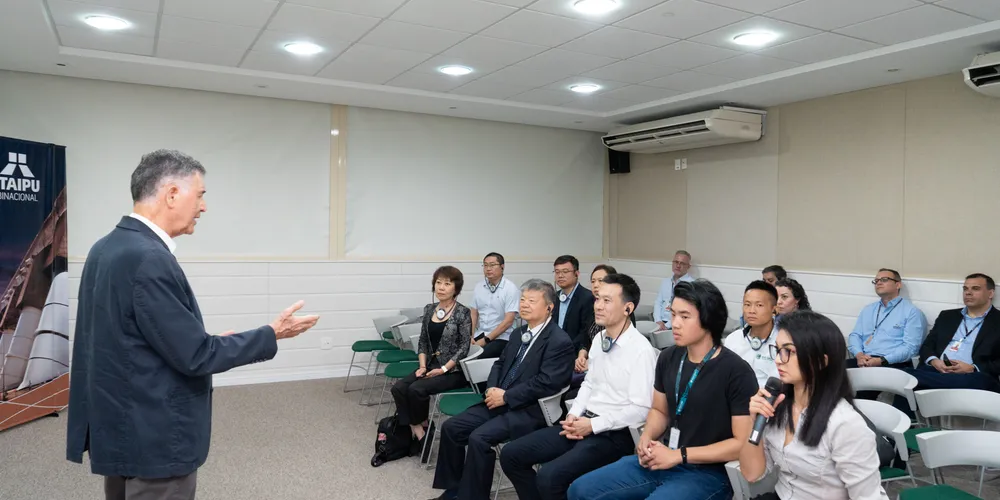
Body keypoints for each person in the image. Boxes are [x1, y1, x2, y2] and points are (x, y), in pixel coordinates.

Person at [66, 150, 319, 500]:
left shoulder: (105, 248)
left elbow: (132, 340)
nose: (203, 207)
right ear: (171, 194)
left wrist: (204, 341)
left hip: (123, 429)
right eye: (199, 195)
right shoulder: (149, 258)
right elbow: (196, 356)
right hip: (155, 441)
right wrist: (272, 333)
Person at [568, 279, 758, 500]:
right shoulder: (669, 357)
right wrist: (647, 437)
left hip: (707, 471)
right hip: (663, 457)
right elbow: (659, 411)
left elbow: (741, 444)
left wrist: (679, 455)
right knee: (580, 490)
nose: (674, 323)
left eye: (684, 317)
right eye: (673, 314)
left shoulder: (736, 371)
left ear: (709, 320)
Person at [500, 273, 657, 500]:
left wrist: (592, 425)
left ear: (628, 308)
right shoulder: (600, 338)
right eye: (597, 299)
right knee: (511, 454)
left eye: (607, 300)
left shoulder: (640, 350)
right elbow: (589, 383)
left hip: (613, 435)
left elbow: (640, 409)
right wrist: (573, 414)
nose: (598, 306)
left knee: (549, 477)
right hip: (583, 423)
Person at [429, 279, 575, 500]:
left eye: (532, 301)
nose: (524, 305)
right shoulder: (519, 333)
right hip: (499, 400)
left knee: (479, 438)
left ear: (549, 307)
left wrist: (507, 396)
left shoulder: (559, 341)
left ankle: (473, 497)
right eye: (522, 299)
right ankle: (455, 489)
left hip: (529, 409)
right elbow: (500, 363)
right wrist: (492, 388)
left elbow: (547, 382)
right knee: (452, 428)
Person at [739, 310, 889, 500]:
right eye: (777, 350)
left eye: (789, 351)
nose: (778, 360)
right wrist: (753, 423)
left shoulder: (845, 424)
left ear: (821, 361)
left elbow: (869, 497)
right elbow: (752, 474)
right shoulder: (779, 404)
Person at [895, 273, 1000, 416]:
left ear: (990, 293)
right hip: (939, 369)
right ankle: (900, 431)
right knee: (908, 382)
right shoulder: (947, 316)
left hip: (975, 375)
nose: (968, 292)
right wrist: (935, 361)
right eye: (965, 288)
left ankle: (913, 377)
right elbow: (926, 346)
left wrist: (972, 368)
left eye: (975, 288)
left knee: (909, 378)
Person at [391, 266, 472, 443]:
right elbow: (423, 342)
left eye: (447, 283)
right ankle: (418, 427)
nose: (441, 287)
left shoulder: (462, 312)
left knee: (416, 389)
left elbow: (464, 347)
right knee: (398, 388)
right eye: (438, 282)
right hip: (429, 365)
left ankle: (420, 429)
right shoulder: (429, 309)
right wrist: (422, 366)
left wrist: (443, 369)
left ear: (456, 289)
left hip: (453, 371)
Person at [847, 268, 926, 370]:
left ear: (898, 285)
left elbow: (911, 348)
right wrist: (859, 355)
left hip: (893, 363)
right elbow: (855, 335)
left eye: (884, 279)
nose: (878, 283)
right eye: (876, 281)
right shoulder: (868, 309)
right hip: (864, 360)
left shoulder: (911, 312)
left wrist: (881, 360)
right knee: (830, 369)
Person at [573, 264, 635, 375]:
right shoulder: (591, 304)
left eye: (601, 280)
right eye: (593, 281)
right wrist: (582, 355)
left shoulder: (621, 309)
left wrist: (592, 363)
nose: (596, 285)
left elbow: (618, 350)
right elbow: (585, 336)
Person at [724, 281, 780, 387]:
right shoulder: (733, 339)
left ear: (774, 309)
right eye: (747, 304)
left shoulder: (782, 341)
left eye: (759, 305)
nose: (751, 310)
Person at [470, 252, 519, 359]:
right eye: (485, 265)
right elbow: (473, 313)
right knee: (461, 351)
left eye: (492, 265)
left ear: (502, 267)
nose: (488, 268)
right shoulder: (479, 287)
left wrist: (486, 340)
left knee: (479, 356)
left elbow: (508, 321)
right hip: (481, 333)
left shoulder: (510, 288)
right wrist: (470, 335)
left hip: (502, 337)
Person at [552, 255, 594, 354]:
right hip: (553, 351)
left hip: (574, 352)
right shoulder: (554, 297)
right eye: (557, 272)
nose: (560, 275)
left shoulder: (587, 297)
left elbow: (586, 332)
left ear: (576, 273)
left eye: (565, 271)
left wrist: (566, 349)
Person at [653, 250, 694, 331]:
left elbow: (686, 311)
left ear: (688, 266)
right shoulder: (665, 282)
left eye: (682, 263)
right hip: (659, 323)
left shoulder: (692, 285)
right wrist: (658, 321)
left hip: (678, 326)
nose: (678, 265)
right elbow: (658, 303)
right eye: (676, 262)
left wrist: (666, 326)